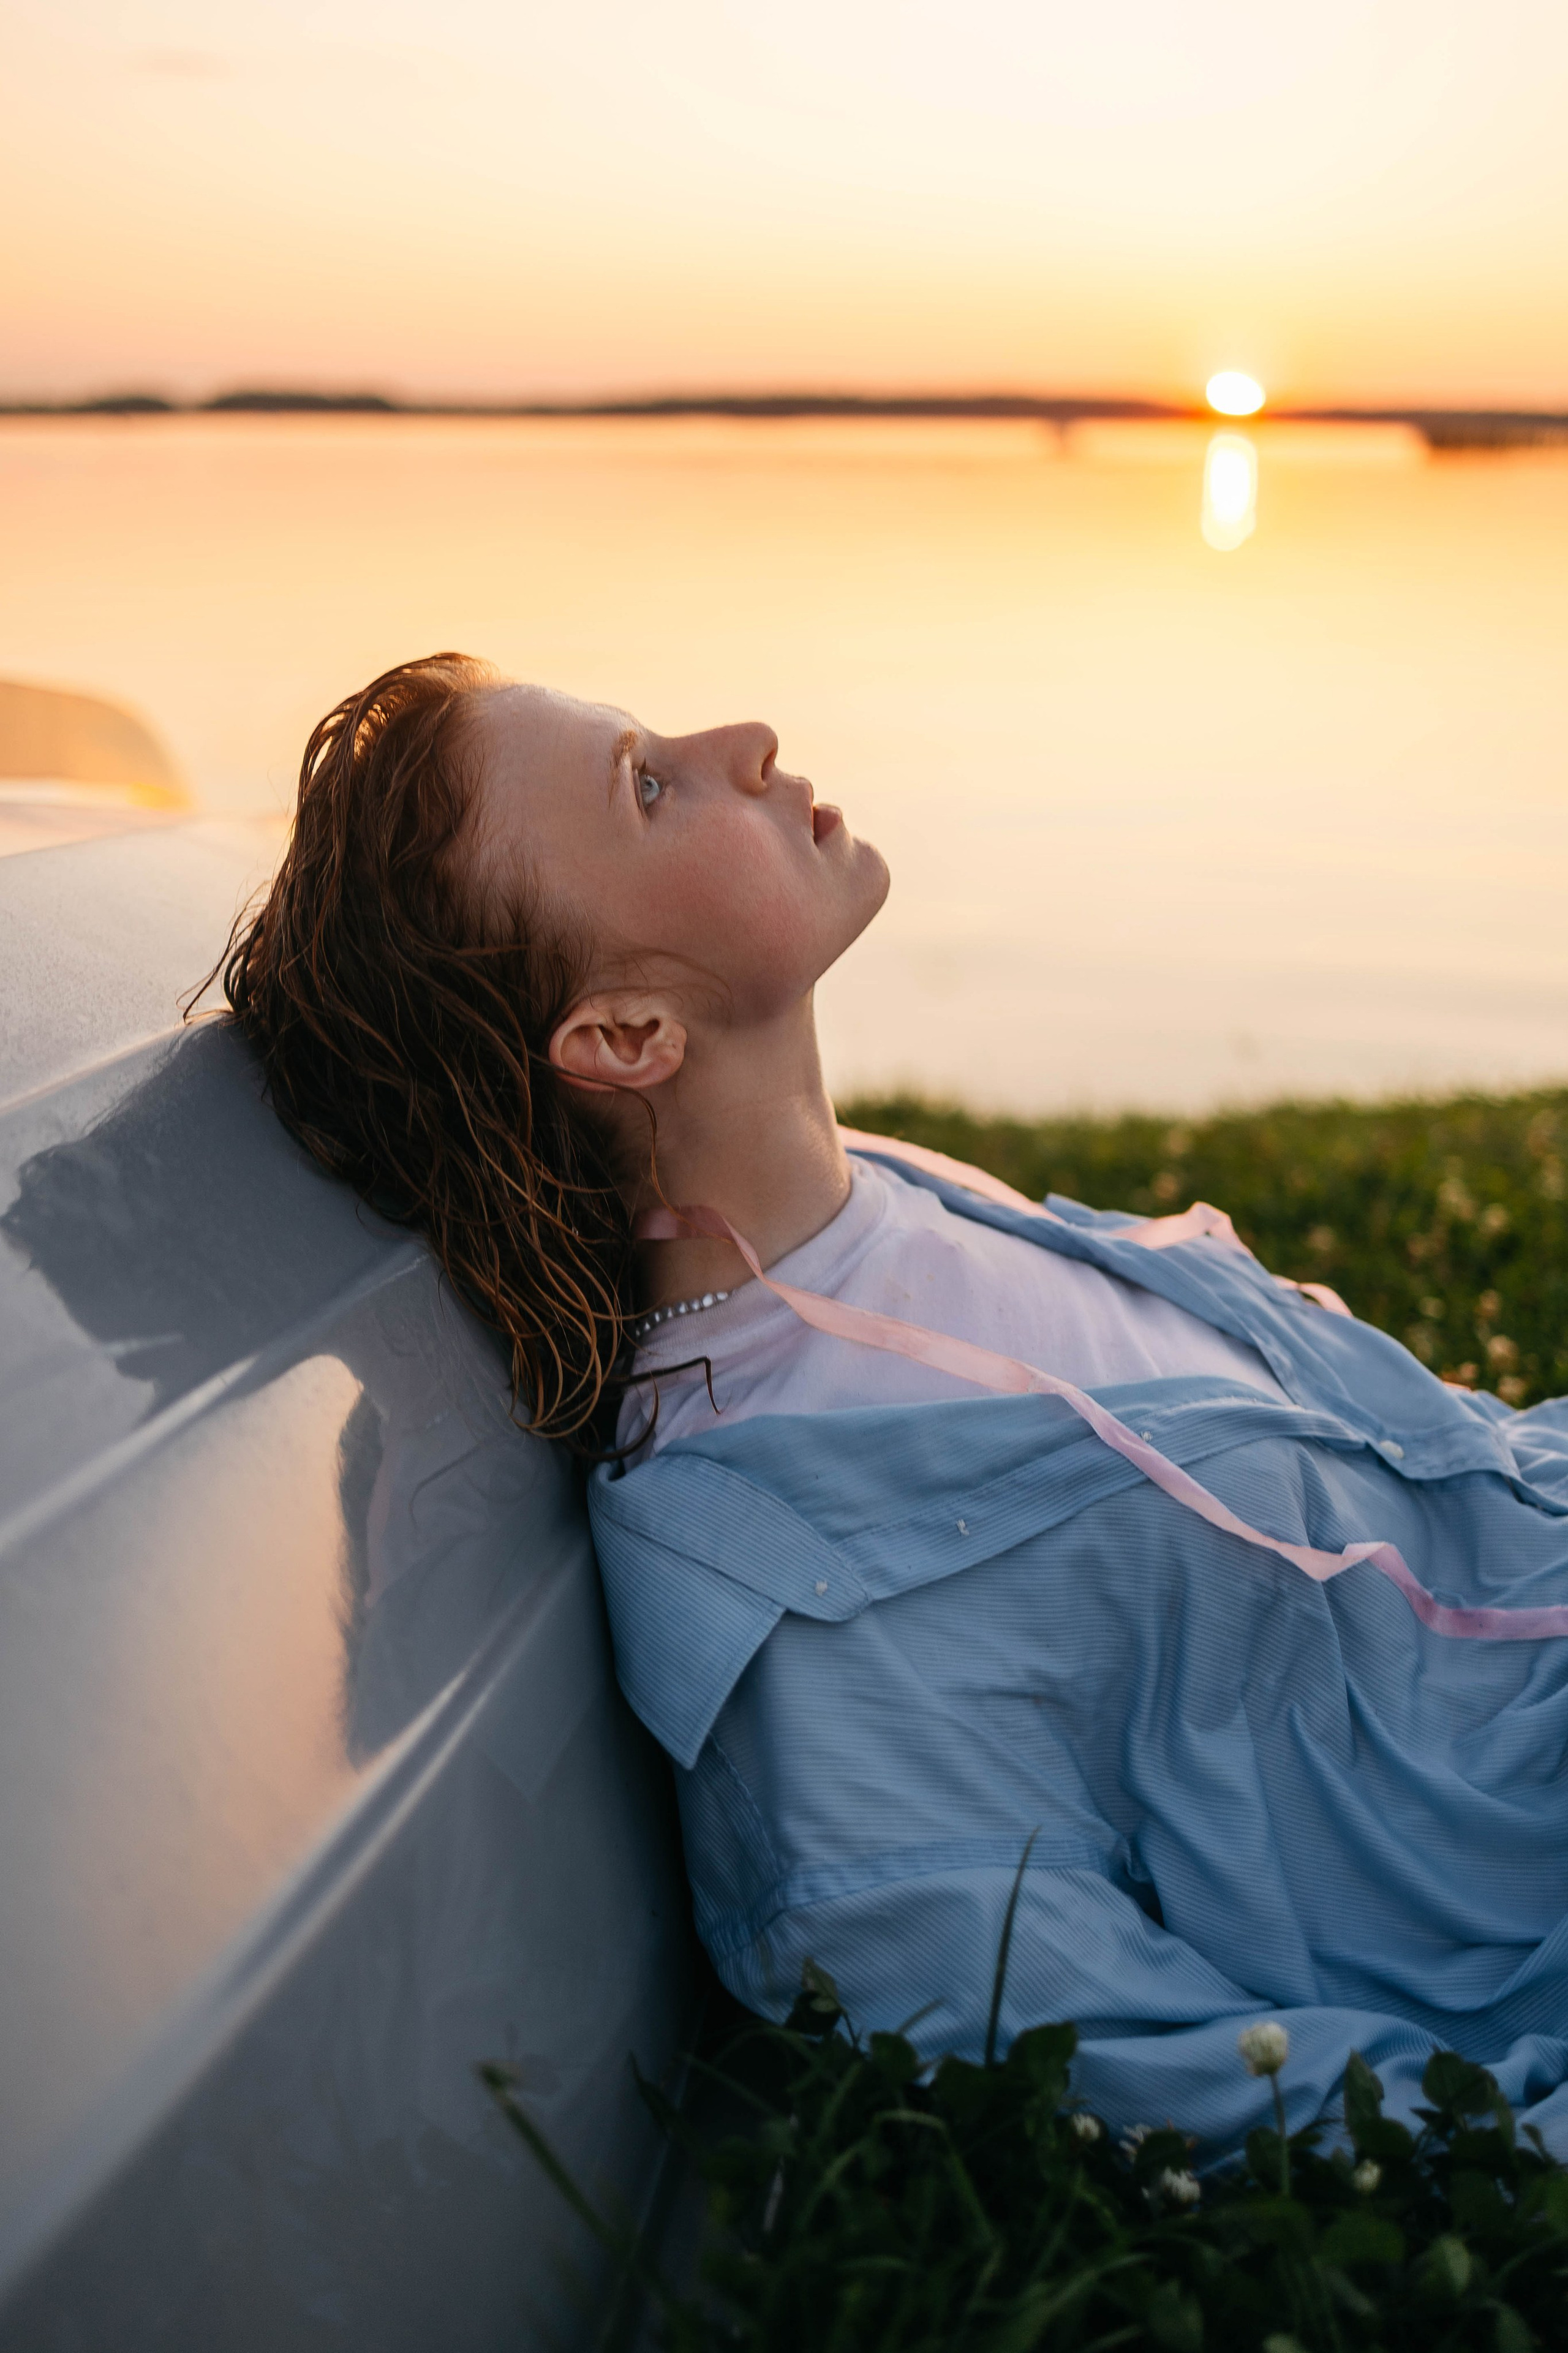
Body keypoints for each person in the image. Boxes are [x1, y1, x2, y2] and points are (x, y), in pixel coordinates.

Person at [225, 652, 1568, 2159]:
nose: (744, 736)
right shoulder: (785, 1561)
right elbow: (1026, 2009)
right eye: (649, 786)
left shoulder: (880, 1199)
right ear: (621, 1041)